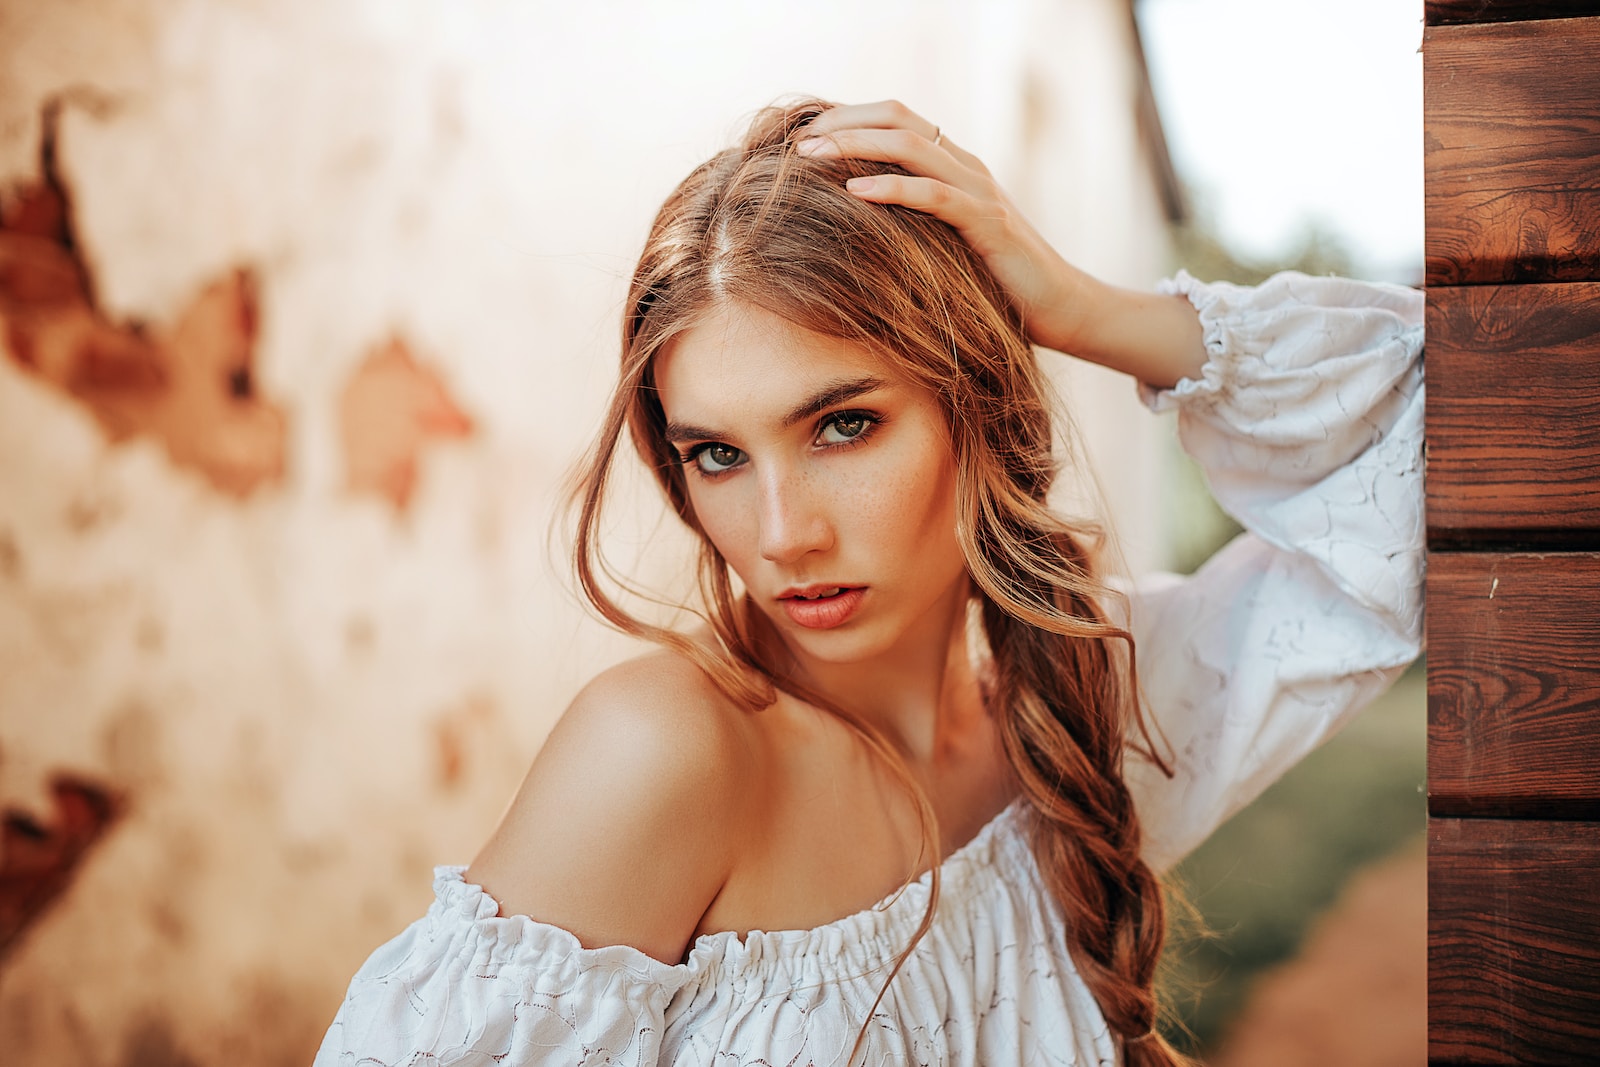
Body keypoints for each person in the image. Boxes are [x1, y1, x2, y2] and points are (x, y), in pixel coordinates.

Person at [314, 99, 1424, 1067]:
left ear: (975, 407)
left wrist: (1078, 307)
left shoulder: (1082, 714)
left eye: (843, 424)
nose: (783, 532)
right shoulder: (665, 752)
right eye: (717, 453)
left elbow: (1433, 443)